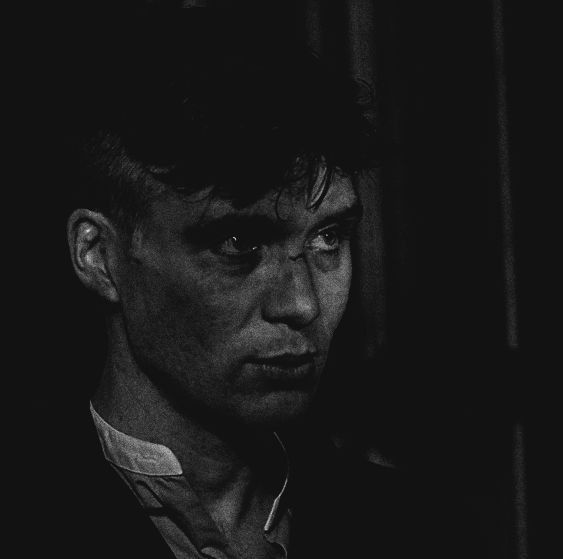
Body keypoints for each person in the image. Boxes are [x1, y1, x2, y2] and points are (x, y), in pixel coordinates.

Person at [31, 15, 481, 559]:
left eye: (328, 237)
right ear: (99, 256)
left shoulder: (419, 530)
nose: (303, 303)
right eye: (239, 242)